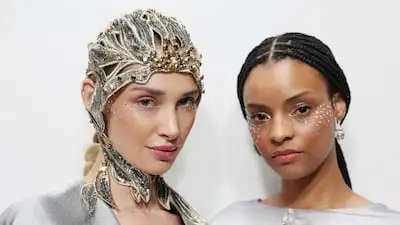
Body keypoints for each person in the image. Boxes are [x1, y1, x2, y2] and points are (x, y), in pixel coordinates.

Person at [0, 9, 208, 225]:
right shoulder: (40, 218)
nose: (172, 128)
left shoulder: (193, 220)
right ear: (93, 97)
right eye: (146, 102)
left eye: (186, 102)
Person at [211, 32, 400, 225]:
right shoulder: (231, 220)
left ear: (337, 106)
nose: (279, 133)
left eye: (301, 110)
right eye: (260, 116)